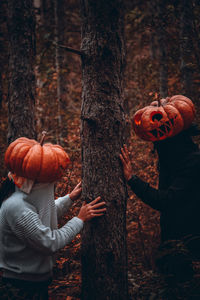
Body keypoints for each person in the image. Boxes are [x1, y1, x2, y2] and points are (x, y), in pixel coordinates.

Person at [0, 141, 106, 300]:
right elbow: (49, 242)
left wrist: (69, 198)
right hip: (21, 287)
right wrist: (79, 219)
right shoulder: (17, 208)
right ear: (37, 182)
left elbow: (41, 216)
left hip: (34, 283)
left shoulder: (23, 197)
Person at [120, 124, 200, 283]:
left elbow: (166, 200)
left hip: (190, 244)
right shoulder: (175, 160)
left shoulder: (193, 162)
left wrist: (132, 179)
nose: (157, 150)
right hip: (174, 241)